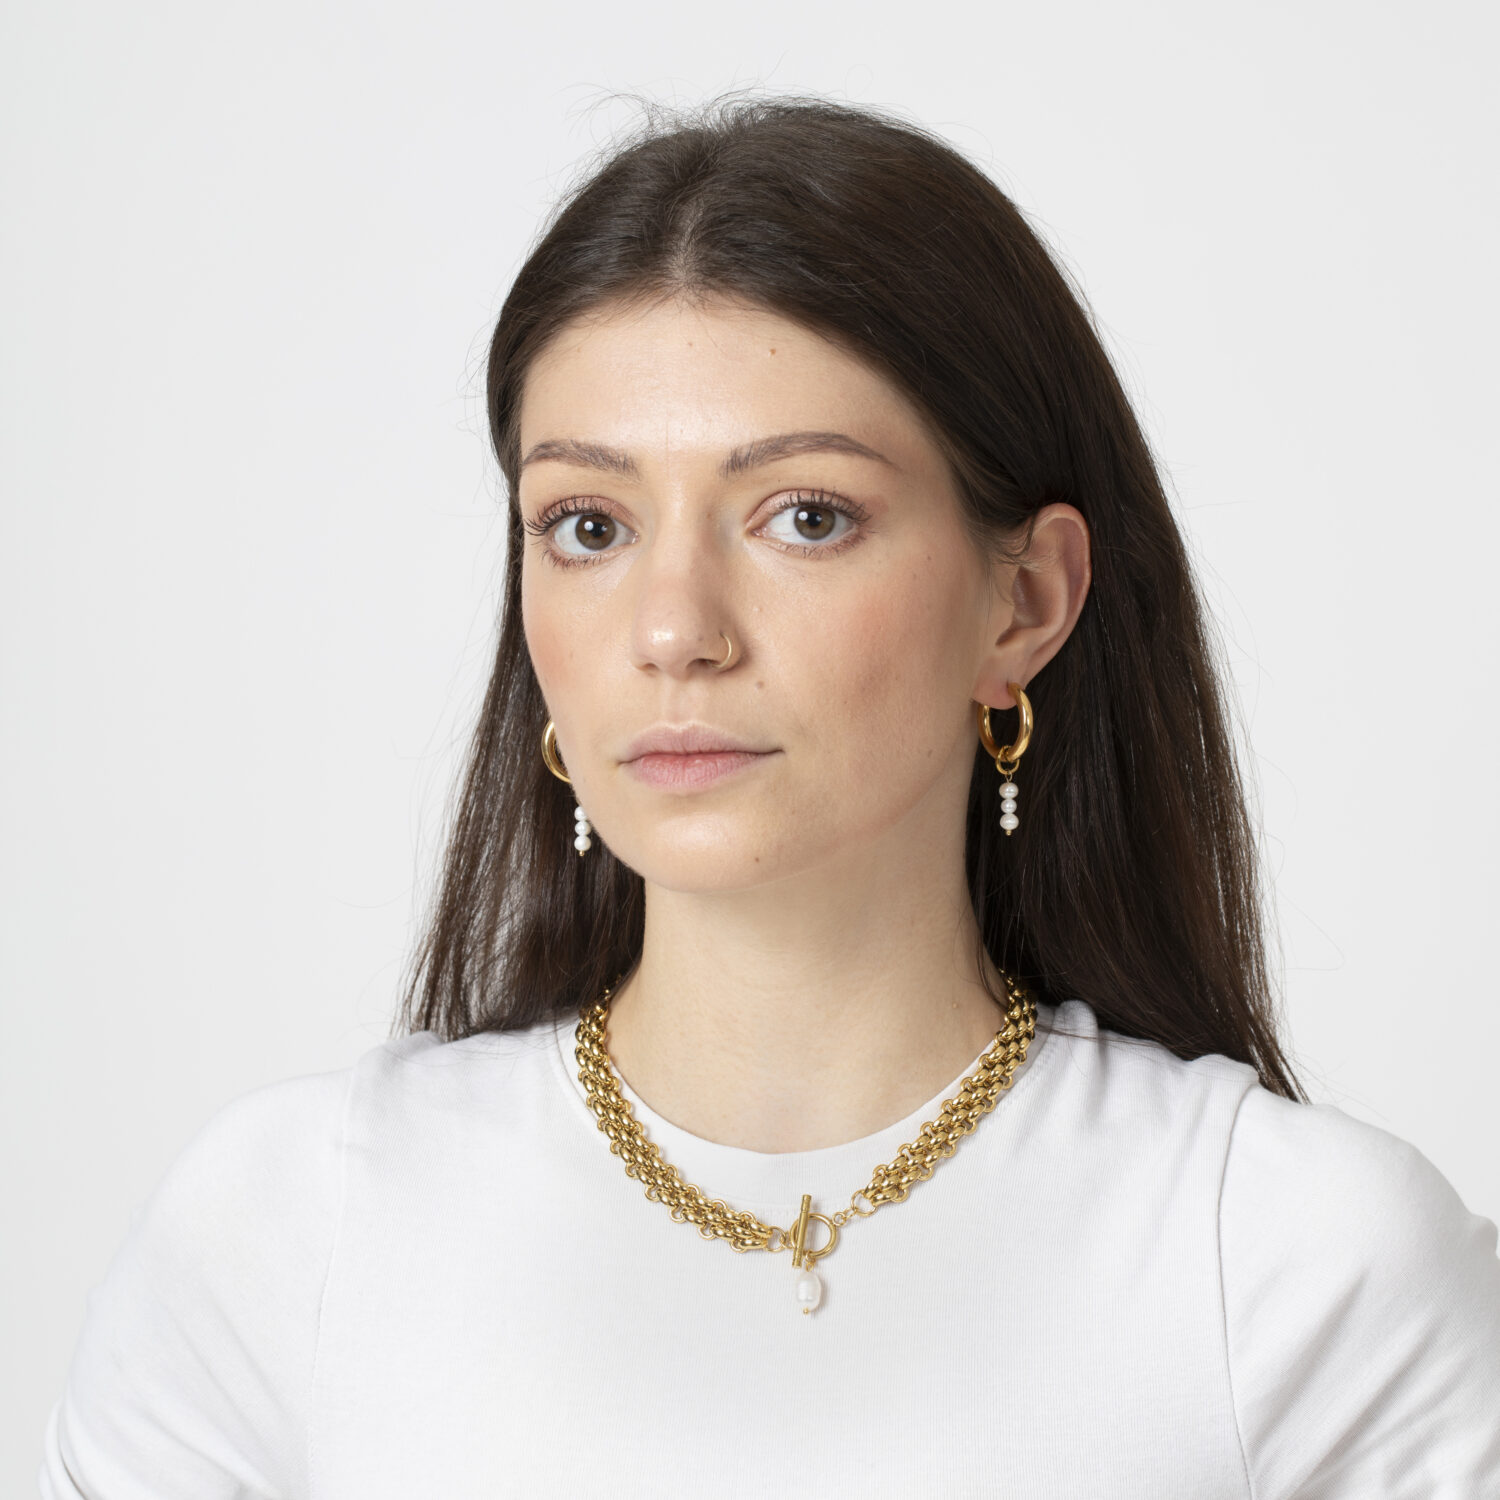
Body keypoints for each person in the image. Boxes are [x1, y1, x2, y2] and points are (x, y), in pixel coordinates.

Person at [39, 93, 1500, 1499]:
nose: (674, 628)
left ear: (1026, 601)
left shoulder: (1303, 1269)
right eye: (588, 525)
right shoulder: (288, 1234)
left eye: (805, 516)